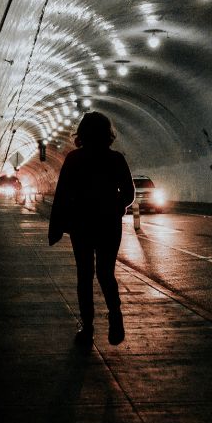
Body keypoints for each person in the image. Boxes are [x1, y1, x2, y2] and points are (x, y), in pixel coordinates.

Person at [48, 111, 135, 345]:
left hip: (82, 224)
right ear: (108, 133)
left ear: (82, 133)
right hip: (109, 225)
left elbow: (63, 194)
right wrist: (115, 207)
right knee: (106, 272)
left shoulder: (74, 159)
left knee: (84, 276)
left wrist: (59, 223)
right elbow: (129, 194)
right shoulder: (116, 159)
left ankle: (87, 330)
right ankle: (115, 316)